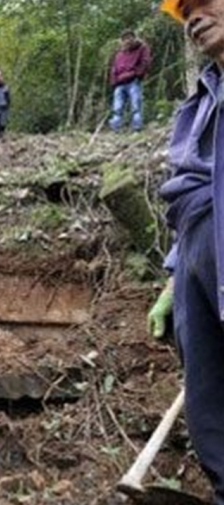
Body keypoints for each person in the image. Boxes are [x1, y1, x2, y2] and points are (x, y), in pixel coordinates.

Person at [150, 1, 224, 502]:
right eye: (187, 11)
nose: (194, 16)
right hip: (199, 251)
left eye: (206, 2)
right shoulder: (198, 102)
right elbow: (190, 188)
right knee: (209, 402)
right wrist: (176, 275)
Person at [108, 29, 152, 132]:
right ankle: (116, 128)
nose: (127, 40)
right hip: (119, 84)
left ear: (134, 38)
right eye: (125, 39)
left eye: (129, 37)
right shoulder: (119, 54)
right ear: (122, 41)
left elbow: (145, 63)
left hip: (133, 81)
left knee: (136, 106)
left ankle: (137, 128)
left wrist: (135, 74)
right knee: (117, 107)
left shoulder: (141, 48)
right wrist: (114, 82)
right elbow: (114, 68)